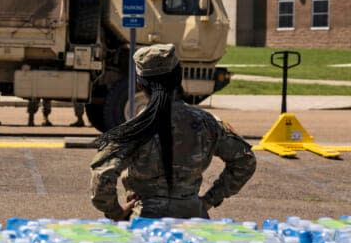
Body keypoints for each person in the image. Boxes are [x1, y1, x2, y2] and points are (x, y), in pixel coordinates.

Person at [90, 43, 256, 220]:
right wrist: (209, 200)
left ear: (140, 83)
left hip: (146, 221)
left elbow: (102, 175)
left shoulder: (133, 128)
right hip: (193, 217)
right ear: (178, 77)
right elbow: (245, 160)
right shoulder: (207, 123)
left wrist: (116, 213)